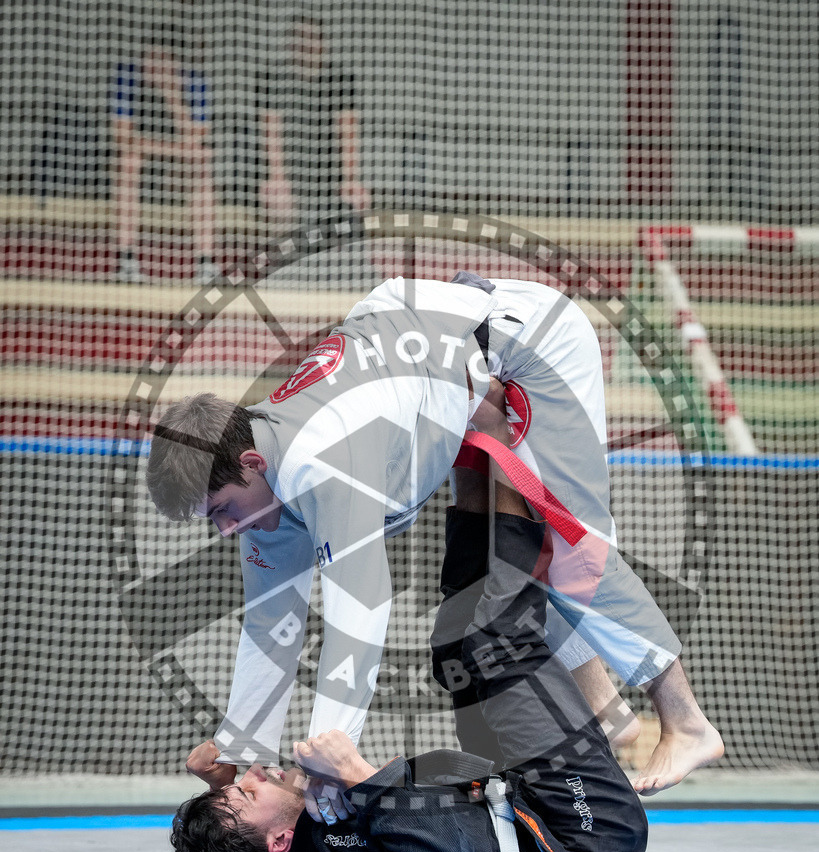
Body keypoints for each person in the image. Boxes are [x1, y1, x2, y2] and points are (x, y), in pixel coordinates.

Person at [147, 273, 723, 799]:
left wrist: (331, 754)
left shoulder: (321, 462)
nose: (226, 530)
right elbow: (272, 622)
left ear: (250, 462)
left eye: (222, 510)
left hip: (530, 340)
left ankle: (688, 722)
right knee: (512, 558)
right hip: (433, 347)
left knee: (571, 542)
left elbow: (360, 618)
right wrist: (241, 744)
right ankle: (605, 712)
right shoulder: (260, 474)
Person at [170, 473, 649, 852]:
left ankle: (473, 459)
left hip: (513, 798)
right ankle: (504, 450)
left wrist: (221, 789)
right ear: (279, 842)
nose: (257, 772)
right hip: (580, 838)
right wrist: (360, 774)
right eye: (251, 791)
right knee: (498, 643)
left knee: (458, 648)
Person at [111, 20, 221, 284]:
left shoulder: (194, 82)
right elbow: (122, 139)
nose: (156, 67)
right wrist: (165, 148)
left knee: (203, 167)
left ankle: (205, 264)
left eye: (164, 61)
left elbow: (199, 140)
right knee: (127, 161)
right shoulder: (129, 77)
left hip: (177, 165)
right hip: (145, 161)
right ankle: (126, 260)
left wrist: (171, 94)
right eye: (152, 59)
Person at [258, 12, 370, 225]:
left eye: (311, 37)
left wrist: (350, 179)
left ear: (321, 42)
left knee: (354, 203)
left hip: (329, 172)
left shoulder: (339, 80)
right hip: (289, 170)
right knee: (276, 201)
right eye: (301, 37)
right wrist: (277, 177)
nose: (306, 44)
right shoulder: (275, 79)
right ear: (292, 44)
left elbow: (348, 128)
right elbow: (270, 127)